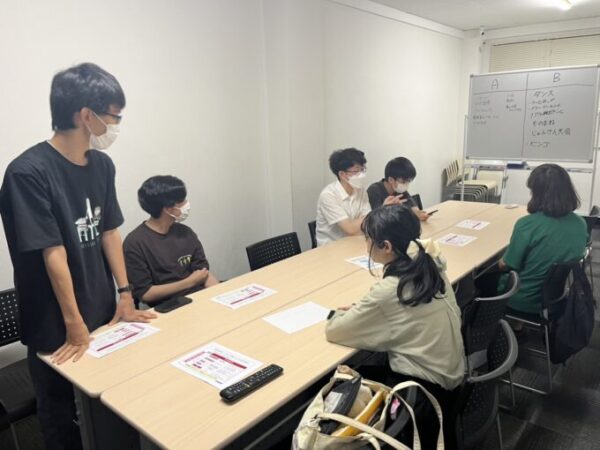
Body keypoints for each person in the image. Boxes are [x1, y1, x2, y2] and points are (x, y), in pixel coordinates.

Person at [0, 63, 156, 450]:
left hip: (102, 309)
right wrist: (74, 323)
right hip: (55, 321)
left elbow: (109, 230)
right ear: (86, 115)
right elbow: (52, 253)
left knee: (107, 406)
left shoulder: (101, 165)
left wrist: (125, 294)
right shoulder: (27, 172)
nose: (115, 126)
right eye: (114, 117)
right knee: (60, 416)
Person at [325, 205, 464, 448]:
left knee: (334, 382)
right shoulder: (431, 264)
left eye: (368, 239)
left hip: (421, 396)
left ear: (386, 247)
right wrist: (370, 310)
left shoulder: (391, 289)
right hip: (451, 383)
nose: (365, 244)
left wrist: (338, 313)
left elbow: (336, 330)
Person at [497, 164, 587, 316]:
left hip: (521, 297)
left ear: (536, 193)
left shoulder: (527, 225)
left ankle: (488, 323)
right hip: (556, 297)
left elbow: (507, 265)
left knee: (480, 278)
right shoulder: (580, 224)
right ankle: (518, 325)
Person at [124, 176, 219, 306]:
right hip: (169, 307)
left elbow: (203, 274)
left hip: (200, 298)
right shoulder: (135, 243)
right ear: (168, 209)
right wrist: (189, 282)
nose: (187, 204)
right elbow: (146, 293)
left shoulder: (185, 232)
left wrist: (219, 296)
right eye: (182, 201)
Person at [316, 148, 400, 246]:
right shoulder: (329, 195)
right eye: (357, 171)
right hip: (331, 247)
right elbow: (350, 229)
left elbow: (368, 223)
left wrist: (365, 220)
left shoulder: (360, 190)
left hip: (355, 242)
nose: (362, 175)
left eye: (362, 170)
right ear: (342, 174)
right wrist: (380, 210)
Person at [367, 156, 429, 221]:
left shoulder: (400, 190)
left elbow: (413, 207)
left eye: (408, 181)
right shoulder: (374, 191)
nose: (406, 184)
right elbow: (375, 220)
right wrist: (385, 209)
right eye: (403, 182)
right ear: (391, 180)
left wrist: (419, 214)